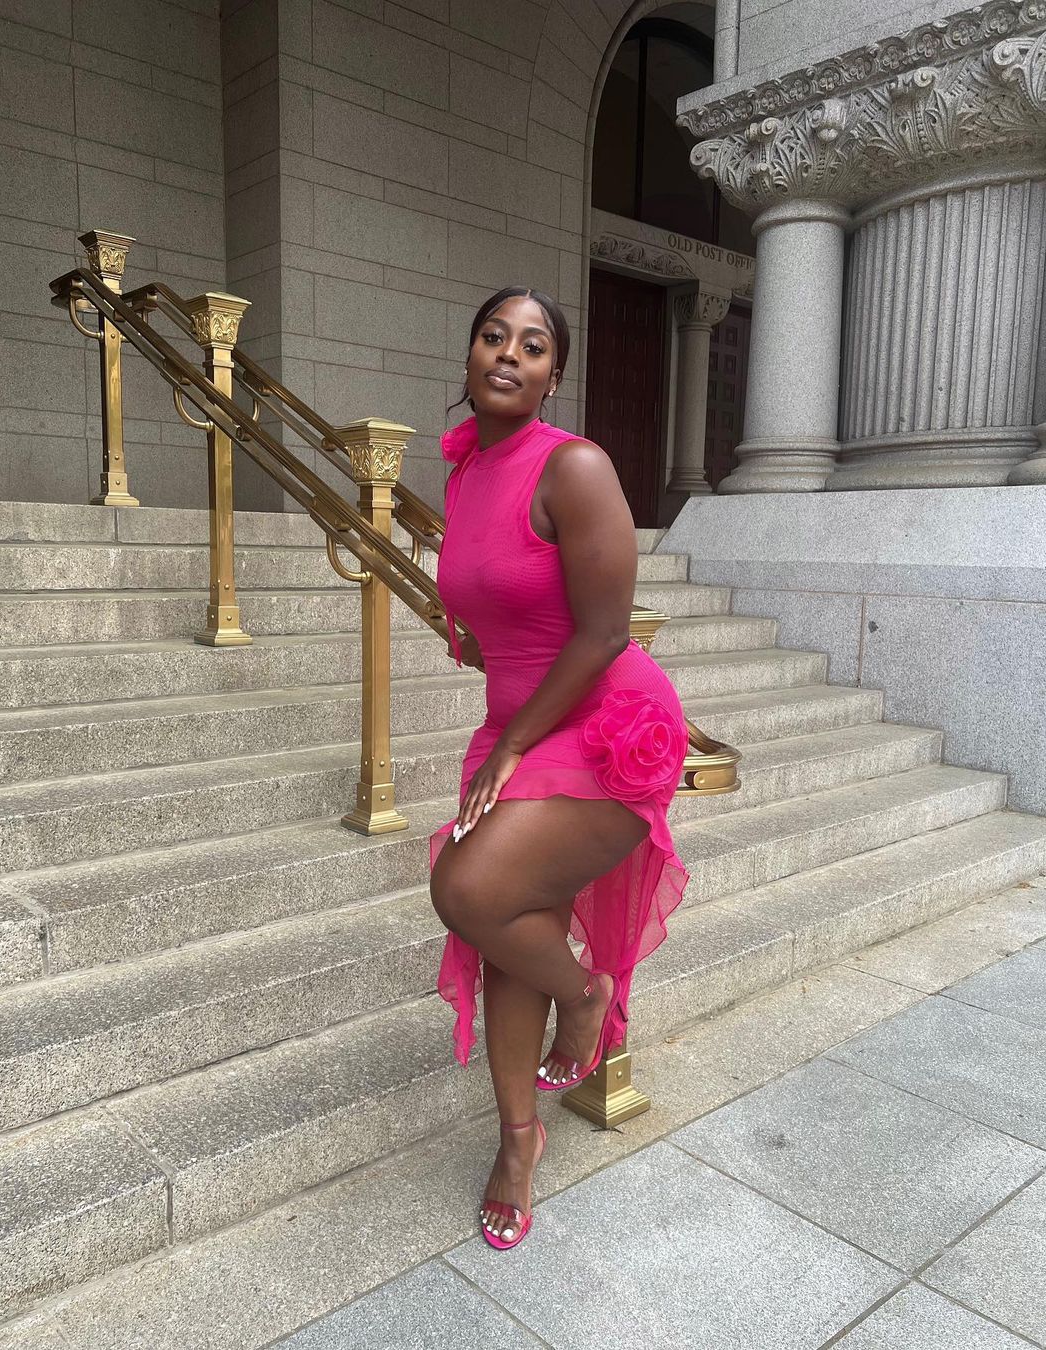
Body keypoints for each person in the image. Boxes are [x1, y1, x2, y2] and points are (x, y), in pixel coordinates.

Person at [429, 286, 690, 1251]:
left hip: (606, 722)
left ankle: (585, 997)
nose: (508, 353)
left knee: (469, 887)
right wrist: (478, 634)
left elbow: (605, 630)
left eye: (532, 345)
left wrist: (510, 744)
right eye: (492, 335)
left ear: (553, 376)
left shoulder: (573, 466)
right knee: (513, 924)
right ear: (469, 357)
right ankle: (517, 1141)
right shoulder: (465, 472)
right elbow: (502, 592)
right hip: (520, 721)